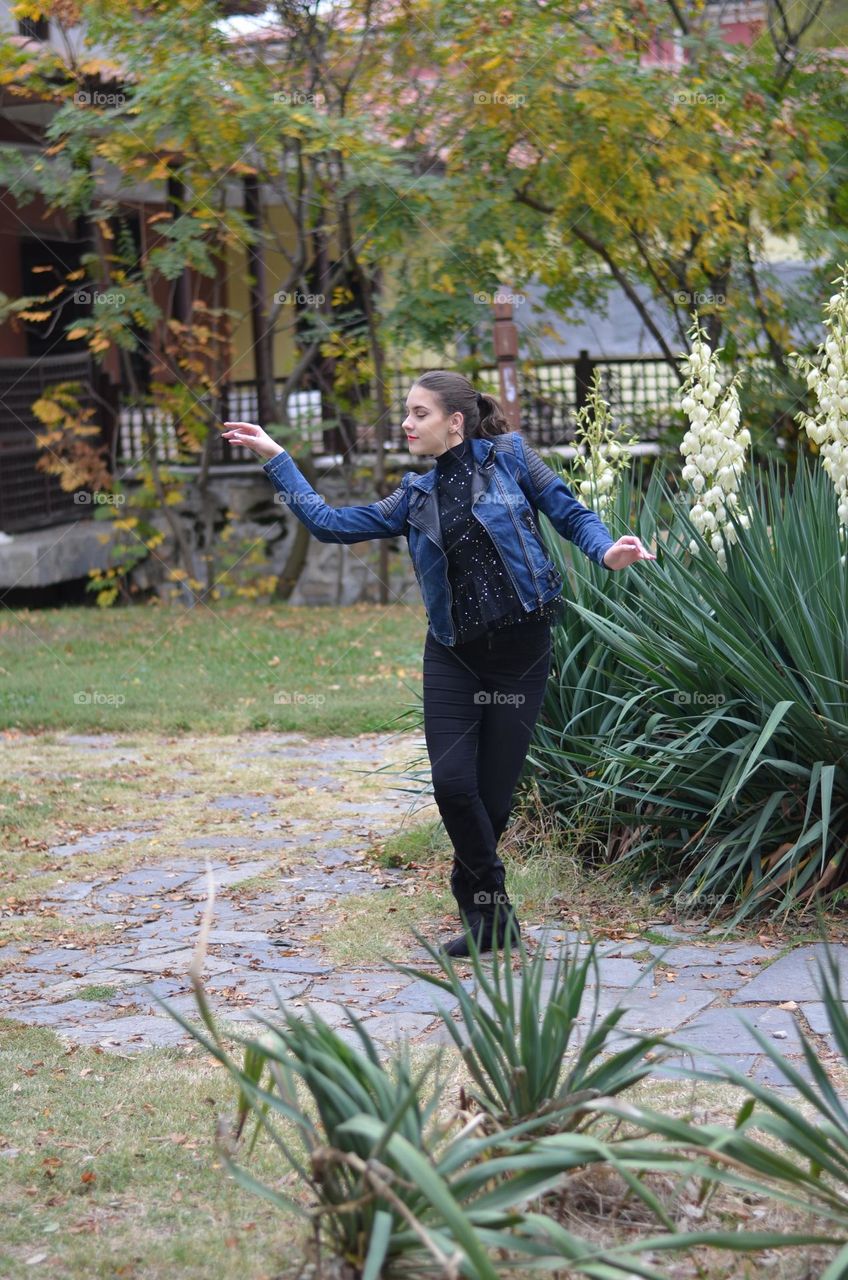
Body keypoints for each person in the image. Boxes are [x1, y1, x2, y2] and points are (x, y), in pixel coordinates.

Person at [222, 370, 655, 959]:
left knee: (493, 801)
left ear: (454, 422)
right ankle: (490, 906)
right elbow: (329, 524)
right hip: (454, 654)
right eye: (406, 412)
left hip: (521, 652)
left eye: (418, 413)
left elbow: (569, 512)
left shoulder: (512, 459)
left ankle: (487, 922)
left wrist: (606, 549)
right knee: (454, 787)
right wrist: (277, 457)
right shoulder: (414, 495)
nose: (405, 423)